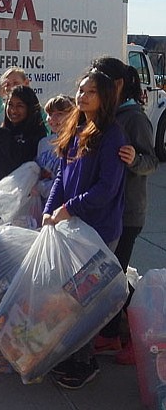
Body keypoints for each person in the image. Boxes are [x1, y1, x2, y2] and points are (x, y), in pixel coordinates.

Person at [43, 69, 127, 389]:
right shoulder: (75, 128)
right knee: (68, 299)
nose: (83, 96)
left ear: (104, 97)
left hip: (100, 232)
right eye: (81, 90)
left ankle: (85, 362)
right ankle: (70, 354)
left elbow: (106, 189)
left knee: (86, 300)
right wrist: (50, 210)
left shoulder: (112, 134)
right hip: (72, 229)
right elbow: (62, 178)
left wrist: (69, 209)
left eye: (91, 91)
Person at [90, 57, 158, 365]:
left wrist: (134, 159)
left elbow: (151, 162)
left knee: (114, 279)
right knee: (104, 279)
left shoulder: (134, 118)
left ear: (116, 84)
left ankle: (142, 335)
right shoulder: (104, 116)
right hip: (104, 212)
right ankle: (109, 336)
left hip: (128, 214)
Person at [0, 85, 48, 184]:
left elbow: (18, 158)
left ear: (30, 108)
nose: (13, 110)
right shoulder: (1, 131)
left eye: (20, 106)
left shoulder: (37, 136)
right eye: (10, 105)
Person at [35, 95, 75, 201]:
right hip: (42, 204)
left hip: (63, 205)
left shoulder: (75, 142)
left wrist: (40, 187)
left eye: (59, 114)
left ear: (72, 116)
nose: (52, 119)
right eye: (50, 114)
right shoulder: (43, 143)